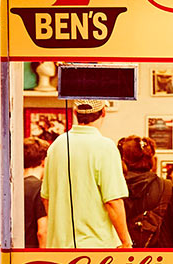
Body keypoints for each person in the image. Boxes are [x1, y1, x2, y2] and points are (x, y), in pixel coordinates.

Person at [40, 100, 132, 248]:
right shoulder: (105, 147)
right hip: (95, 249)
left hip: (58, 247)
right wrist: (126, 241)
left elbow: (46, 198)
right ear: (103, 112)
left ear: (75, 113)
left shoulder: (57, 145)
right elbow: (113, 201)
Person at [118, 135, 173, 248]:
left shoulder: (114, 188)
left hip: (119, 259)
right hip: (162, 258)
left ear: (123, 160)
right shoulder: (166, 187)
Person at [23, 138, 48, 247]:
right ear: (43, 161)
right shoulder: (40, 188)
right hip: (31, 254)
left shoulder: (11, 187)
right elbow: (42, 232)